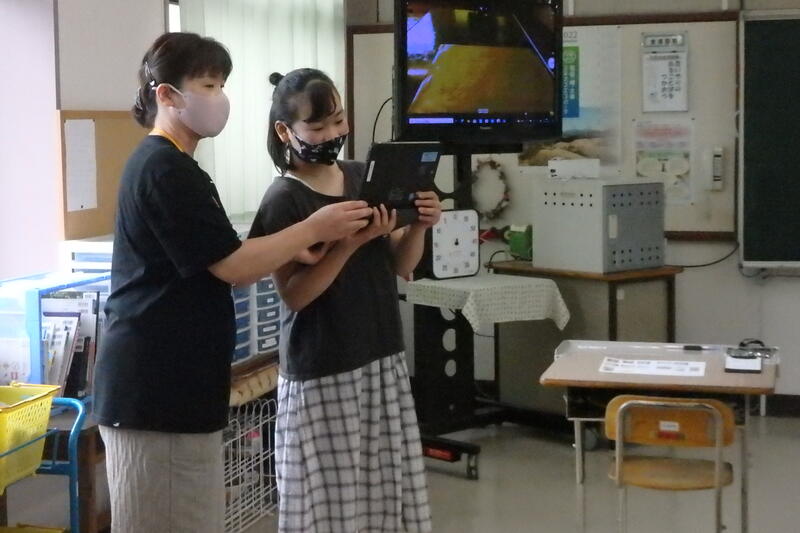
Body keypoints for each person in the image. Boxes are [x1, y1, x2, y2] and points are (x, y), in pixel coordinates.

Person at [92, 34, 372, 533]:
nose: (219, 97)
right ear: (166, 95)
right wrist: (314, 228)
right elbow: (233, 267)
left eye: (222, 84)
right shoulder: (164, 168)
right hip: (156, 393)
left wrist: (293, 247)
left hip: (179, 391)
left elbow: (218, 257)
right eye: (207, 85)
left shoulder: (178, 166)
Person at [248, 68, 440, 533]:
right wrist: (348, 245)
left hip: (381, 355)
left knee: (382, 495)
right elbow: (295, 296)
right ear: (285, 132)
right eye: (317, 127)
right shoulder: (284, 198)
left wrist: (419, 225)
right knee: (328, 508)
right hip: (324, 367)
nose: (333, 134)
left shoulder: (361, 177)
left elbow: (401, 265)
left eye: (338, 120)